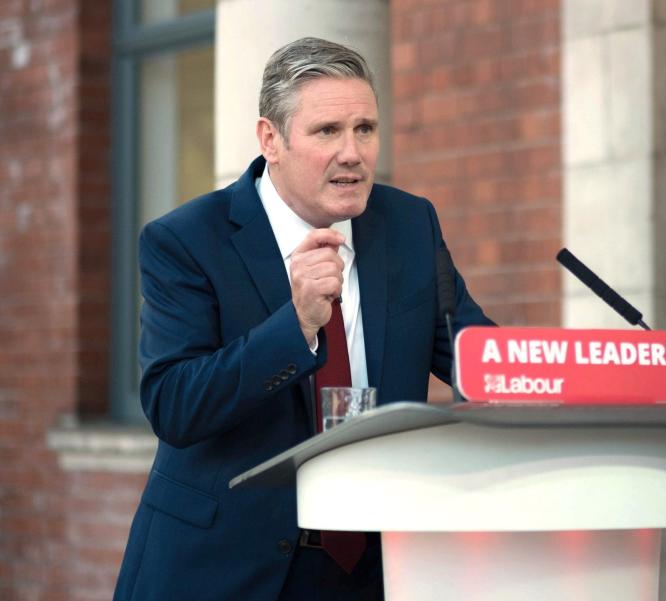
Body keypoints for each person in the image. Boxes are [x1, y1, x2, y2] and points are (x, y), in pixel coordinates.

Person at [114, 37, 492, 601]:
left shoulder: (410, 225)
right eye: (327, 132)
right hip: (223, 569)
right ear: (271, 139)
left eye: (365, 128)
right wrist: (294, 328)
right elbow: (174, 405)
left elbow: (479, 360)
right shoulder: (187, 241)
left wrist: (579, 374)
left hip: (369, 567)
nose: (353, 152)